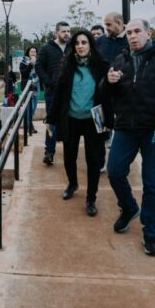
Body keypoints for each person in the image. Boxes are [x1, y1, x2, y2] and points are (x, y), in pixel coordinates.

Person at [103, 18, 155, 256]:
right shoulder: (121, 59)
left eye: (137, 31)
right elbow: (104, 92)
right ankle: (128, 208)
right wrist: (108, 82)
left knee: (151, 183)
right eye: (129, 33)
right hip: (126, 128)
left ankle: (150, 234)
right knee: (115, 171)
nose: (133, 36)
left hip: (154, 131)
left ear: (149, 33)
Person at [46, 30, 112, 217]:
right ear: (73, 46)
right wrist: (50, 120)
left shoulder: (101, 65)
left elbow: (108, 96)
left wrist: (109, 121)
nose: (80, 46)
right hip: (71, 120)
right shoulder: (67, 66)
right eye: (77, 43)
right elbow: (58, 95)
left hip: (93, 121)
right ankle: (72, 183)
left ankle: (91, 198)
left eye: (84, 42)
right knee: (69, 157)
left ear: (91, 44)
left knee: (93, 161)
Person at [36, 21, 71, 166]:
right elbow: (39, 67)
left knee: (70, 123)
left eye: (68, 31)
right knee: (52, 123)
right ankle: (49, 152)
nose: (67, 34)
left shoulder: (73, 47)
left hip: (71, 92)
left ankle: (70, 153)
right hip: (53, 92)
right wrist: (49, 82)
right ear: (56, 32)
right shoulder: (46, 48)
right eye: (63, 31)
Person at [19, 46, 39, 133]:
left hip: (36, 86)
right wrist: (31, 64)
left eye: (35, 51)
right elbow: (24, 74)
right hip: (27, 87)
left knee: (34, 108)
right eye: (32, 51)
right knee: (29, 107)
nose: (33, 53)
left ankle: (28, 124)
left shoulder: (39, 63)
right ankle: (29, 126)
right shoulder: (23, 62)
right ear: (28, 53)